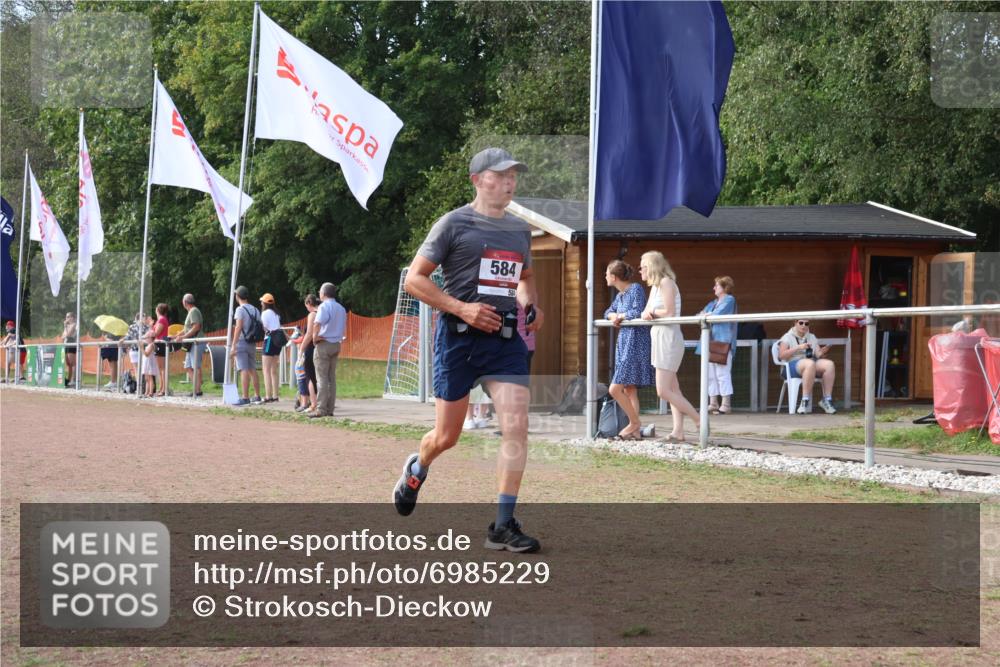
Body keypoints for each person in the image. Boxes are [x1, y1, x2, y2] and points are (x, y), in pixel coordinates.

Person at [392, 146, 544, 553]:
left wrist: (530, 303)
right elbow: (415, 281)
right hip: (458, 340)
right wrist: (462, 308)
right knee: (447, 436)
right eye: (501, 175)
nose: (510, 182)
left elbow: (525, 277)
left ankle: (502, 524)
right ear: (478, 180)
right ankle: (416, 468)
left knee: (516, 426)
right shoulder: (453, 224)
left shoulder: (518, 230)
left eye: (514, 175)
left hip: (504, 341)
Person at [640, 251, 700, 443]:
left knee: (663, 391)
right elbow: (645, 311)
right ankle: (678, 432)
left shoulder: (666, 282)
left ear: (651, 266)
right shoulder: (655, 287)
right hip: (658, 337)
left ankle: (699, 420)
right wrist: (649, 313)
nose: (640, 270)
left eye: (643, 266)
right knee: (674, 389)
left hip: (668, 338)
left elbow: (669, 312)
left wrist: (653, 313)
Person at [604, 259, 655, 439]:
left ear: (614, 277)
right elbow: (607, 312)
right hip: (624, 343)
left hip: (635, 343)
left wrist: (621, 316)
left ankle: (635, 423)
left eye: (606, 274)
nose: (605, 277)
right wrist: (613, 316)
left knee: (614, 389)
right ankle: (634, 432)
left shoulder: (636, 289)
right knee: (628, 389)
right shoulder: (620, 296)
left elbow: (638, 312)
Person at [696, 276, 738, 415]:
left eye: (717, 285)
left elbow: (716, 315)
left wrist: (707, 314)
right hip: (709, 341)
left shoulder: (729, 300)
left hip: (722, 341)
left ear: (724, 287)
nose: (714, 288)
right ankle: (713, 403)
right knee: (710, 374)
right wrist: (706, 314)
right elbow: (700, 314)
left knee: (722, 373)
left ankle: (726, 404)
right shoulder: (713, 302)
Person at [779, 318, 837, 414]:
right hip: (791, 366)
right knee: (809, 363)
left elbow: (817, 355)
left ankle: (827, 400)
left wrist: (822, 352)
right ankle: (804, 400)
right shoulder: (787, 336)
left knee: (829, 364)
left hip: (810, 364)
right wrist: (798, 348)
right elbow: (781, 355)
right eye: (801, 323)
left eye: (806, 324)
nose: (804, 326)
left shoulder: (811, 337)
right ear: (795, 323)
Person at [309, 282, 346, 418]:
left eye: (320, 291)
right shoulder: (341, 308)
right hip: (336, 343)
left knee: (322, 378)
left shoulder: (324, 306)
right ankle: (330, 409)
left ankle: (321, 409)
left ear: (323, 293)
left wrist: (314, 338)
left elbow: (317, 323)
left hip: (323, 344)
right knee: (331, 377)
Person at [229, 285, 263, 406]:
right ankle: (257, 395)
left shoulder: (240, 310)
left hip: (242, 342)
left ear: (237, 296)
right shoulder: (255, 309)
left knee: (243, 369)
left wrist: (233, 345)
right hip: (252, 342)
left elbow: (238, 327)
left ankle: (245, 397)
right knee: (252, 369)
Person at [173, 293, 205, 397]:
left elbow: (196, 327)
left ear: (185, 302)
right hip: (192, 344)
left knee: (195, 367)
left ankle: (197, 390)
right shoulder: (192, 311)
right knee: (188, 366)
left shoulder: (193, 311)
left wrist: (183, 337)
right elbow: (188, 327)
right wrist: (178, 334)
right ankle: (196, 389)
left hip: (196, 343)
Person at [296, 294, 320, 413]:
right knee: (320, 377)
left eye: (306, 305)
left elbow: (309, 334)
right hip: (320, 346)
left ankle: (313, 403)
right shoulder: (322, 312)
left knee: (310, 377)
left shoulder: (312, 314)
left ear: (309, 303)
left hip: (310, 348)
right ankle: (318, 401)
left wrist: (301, 349)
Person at [260, 293, 282, 403]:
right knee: (274, 370)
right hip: (277, 342)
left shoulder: (265, 314)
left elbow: (264, 328)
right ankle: (275, 395)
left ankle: (268, 396)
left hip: (269, 340)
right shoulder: (276, 314)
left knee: (266, 370)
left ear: (264, 303)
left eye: (261, 302)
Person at [152, 303, 169, 396]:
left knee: (162, 368)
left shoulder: (162, 319)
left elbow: (156, 333)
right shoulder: (160, 320)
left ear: (158, 310)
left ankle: (163, 389)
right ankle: (161, 388)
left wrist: (151, 328)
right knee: (160, 368)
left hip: (160, 344)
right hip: (159, 344)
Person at [141, 314, 160, 397]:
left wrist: (141, 348)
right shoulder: (149, 344)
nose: (145, 339)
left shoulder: (151, 345)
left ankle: (151, 392)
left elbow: (147, 354)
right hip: (146, 363)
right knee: (146, 378)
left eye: (146, 338)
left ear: (151, 338)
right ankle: (146, 392)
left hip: (149, 363)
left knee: (150, 378)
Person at [61, 312, 78, 388]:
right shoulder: (67, 326)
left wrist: (65, 327)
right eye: (66, 317)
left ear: (72, 318)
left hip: (71, 344)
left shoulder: (74, 324)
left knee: (72, 363)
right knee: (68, 363)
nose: (67, 318)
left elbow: (68, 335)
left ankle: (74, 380)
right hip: (66, 344)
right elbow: (62, 336)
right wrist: (65, 329)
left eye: (68, 317)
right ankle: (69, 379)